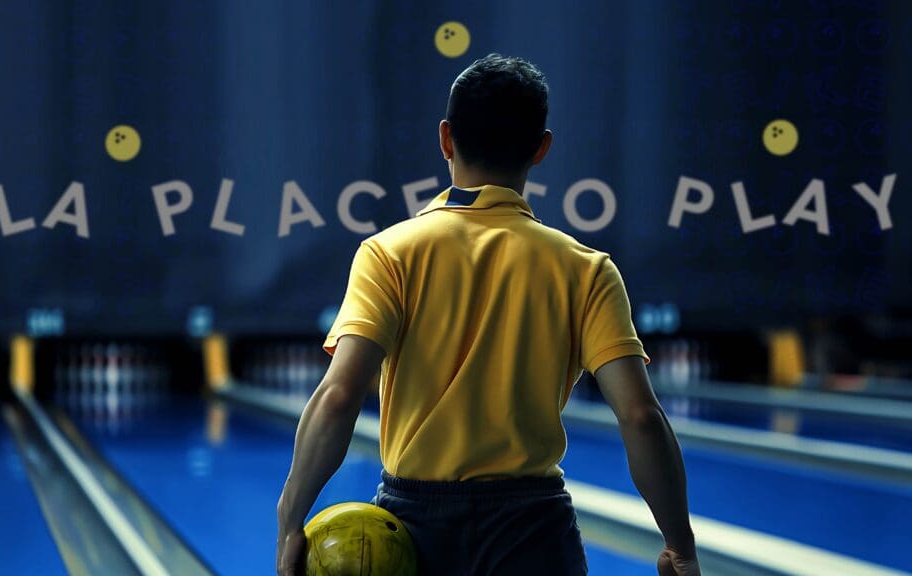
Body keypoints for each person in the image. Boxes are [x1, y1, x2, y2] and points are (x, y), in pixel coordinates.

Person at [277, 53, 699, 576]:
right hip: (535, 529)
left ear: (446, 139)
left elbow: (339, 396)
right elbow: (641, 416)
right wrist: (679, 544)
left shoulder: (389, 253)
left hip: (417, 530)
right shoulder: (585, 269)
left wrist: (290, 517)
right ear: (542, 148)